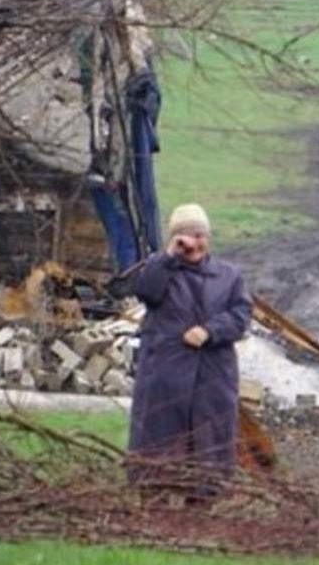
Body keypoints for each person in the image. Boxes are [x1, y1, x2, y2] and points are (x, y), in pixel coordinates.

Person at [127, 203, 252, 488]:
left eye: (199, 235)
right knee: (159, 437)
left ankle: (203, 501)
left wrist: (210, 331)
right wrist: (169, 255)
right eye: (186, 236)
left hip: (213, 373)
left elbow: (241, 315)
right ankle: (155, 493)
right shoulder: (160, 269)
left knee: (209, 439)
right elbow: (145, 292)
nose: (194, 244)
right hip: (165, 373)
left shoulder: (229, 275)